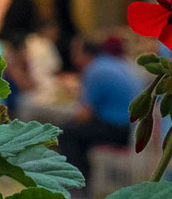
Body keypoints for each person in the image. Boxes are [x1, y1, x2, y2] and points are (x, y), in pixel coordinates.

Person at [59, 37, 142, 184]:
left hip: (119, 129)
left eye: (75, 51)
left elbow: (85, 114)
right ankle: (84, 176)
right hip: (133, 127)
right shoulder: (112, 63)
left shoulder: (94, 70)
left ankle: (76, 182)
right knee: (77, 131)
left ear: (84, 53)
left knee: (66, 133)